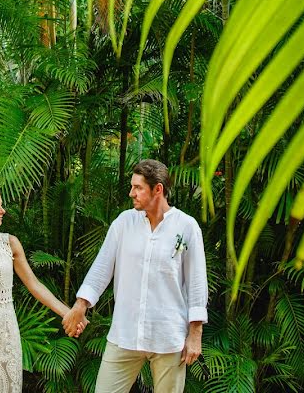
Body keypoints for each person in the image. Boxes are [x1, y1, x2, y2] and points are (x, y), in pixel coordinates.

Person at [62, 159, 207, 392]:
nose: (132, 193)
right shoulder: (123, 222)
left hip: (168, 335)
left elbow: (197, 283)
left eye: (138, 187)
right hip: (125, 332)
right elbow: (101, 268)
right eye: (132, 187)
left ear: (157, 189)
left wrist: (195, 334)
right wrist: (81, 305)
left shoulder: (187, 226)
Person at [0, 183, 87, 392]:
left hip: (4, 335)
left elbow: (34, 285)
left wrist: (69, 313)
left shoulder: (9, 243)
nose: (3, 211)